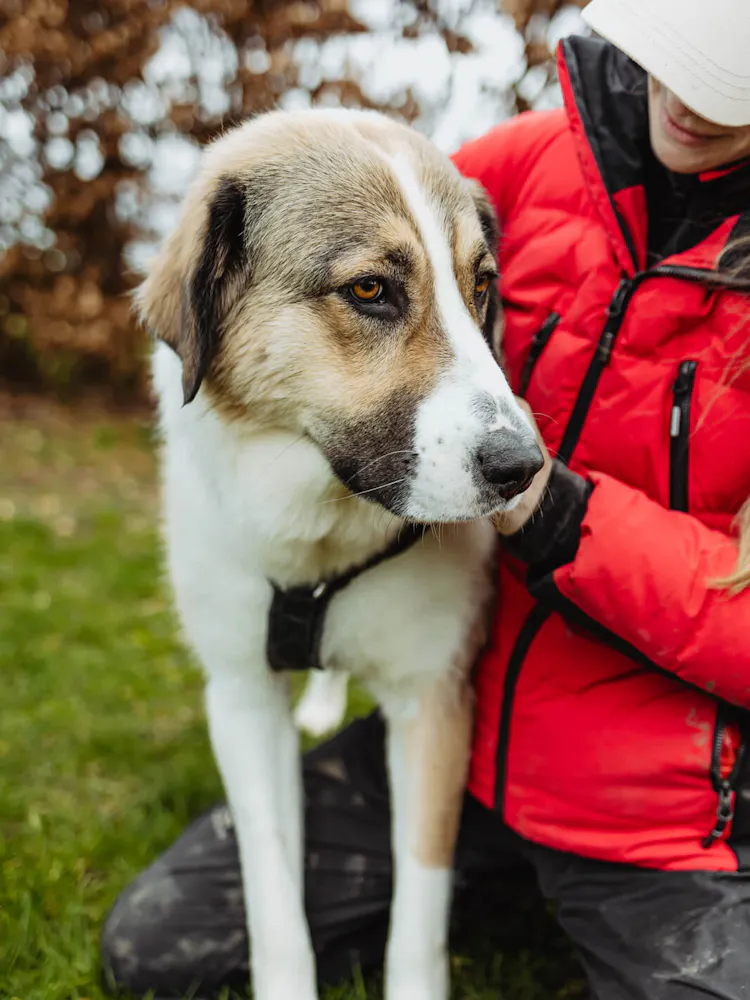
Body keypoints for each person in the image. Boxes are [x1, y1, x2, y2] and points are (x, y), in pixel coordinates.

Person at [101, 0, 750, 997]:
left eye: (733, 79)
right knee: (157, 947)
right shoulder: (537, 160)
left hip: (660, 808)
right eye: (680, 57)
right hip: (480, 729)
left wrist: (565, 518)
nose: (691, 98)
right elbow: (345, 218)